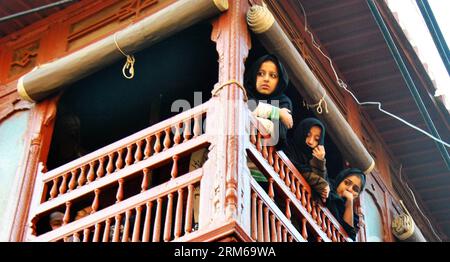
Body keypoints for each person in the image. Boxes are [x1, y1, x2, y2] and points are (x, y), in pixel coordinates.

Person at [244, 54, 293, 149]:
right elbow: (245, 107)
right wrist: (277, 113)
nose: (266, 79)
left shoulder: (283, 102)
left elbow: (279, 135)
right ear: (254, 75)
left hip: (259, 157)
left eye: (273, 75)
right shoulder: (244, 91)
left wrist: (251, 116)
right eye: (260, 73)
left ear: (279, 80)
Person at [284, 118, 330, 201]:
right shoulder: (287, 146)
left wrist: (319, 161)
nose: (311, 141)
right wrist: (319, 183)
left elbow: (323, 195)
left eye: (316, 139)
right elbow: (293, 166)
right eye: (308, 135)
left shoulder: (315, 160)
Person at [326, 168, 366, 241]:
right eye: (347, 183)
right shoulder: (326, 187)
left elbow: (349, 236)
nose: (349, 189)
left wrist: (349, 202)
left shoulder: (354, 219)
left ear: (357, 196)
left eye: (355, 189)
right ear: (340, 180)